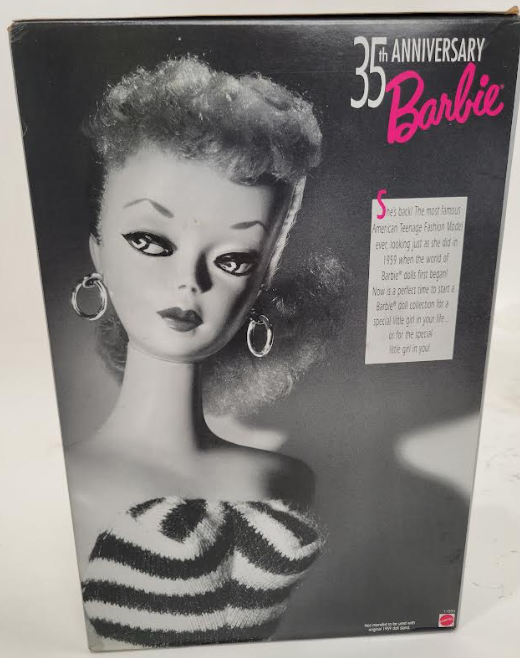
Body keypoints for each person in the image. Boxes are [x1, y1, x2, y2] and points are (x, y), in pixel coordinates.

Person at [66, 55, 345, 650]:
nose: (188, 281)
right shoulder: (63, 485)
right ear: (98, 252)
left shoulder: (286, 480)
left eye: (233, 260)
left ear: (263, 279)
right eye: (150, 241)